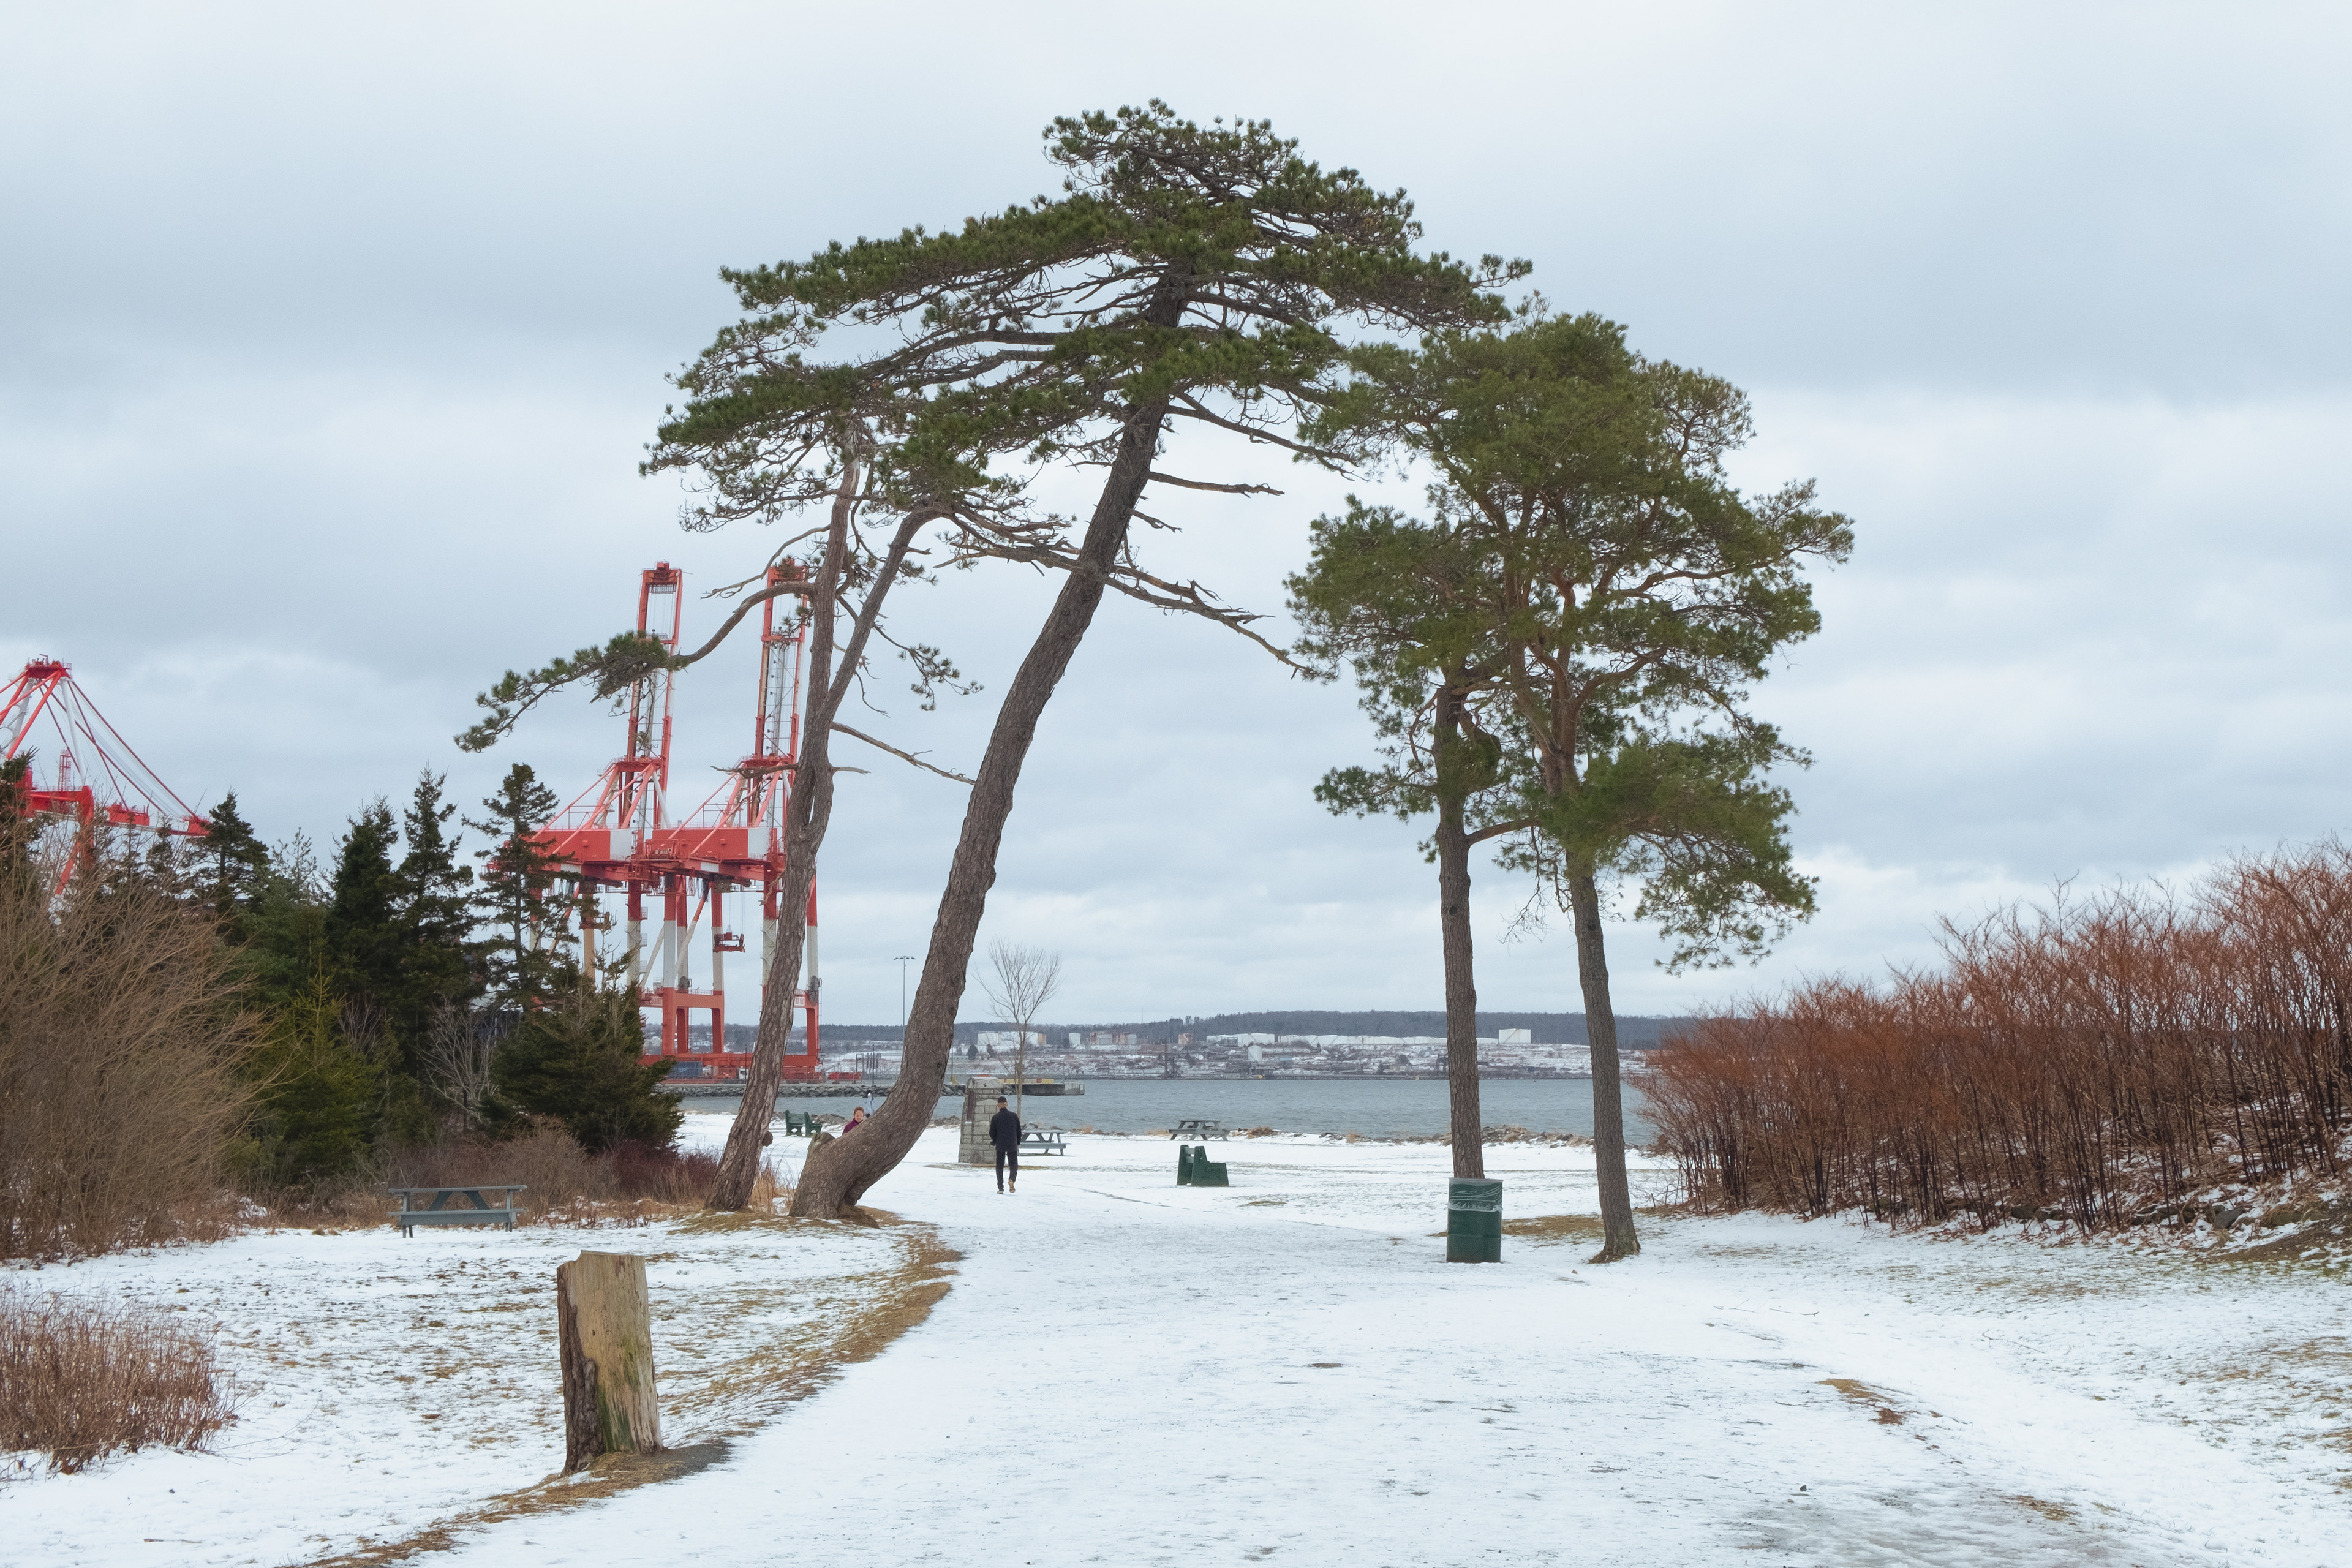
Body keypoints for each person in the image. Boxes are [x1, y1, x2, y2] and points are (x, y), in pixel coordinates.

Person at [989, 1095, 1021, 1194]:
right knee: (1013, 1164)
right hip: (1012, 1143)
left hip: (1000, 1144)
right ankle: (1012, 1179)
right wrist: (1018, 1143)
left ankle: (1001, 1188)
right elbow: (1019, 1131)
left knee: (999, 1166)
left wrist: (995, 1140)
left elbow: (991, 1132)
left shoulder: (995, 1118)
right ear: (1006, 1104)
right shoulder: (1014, 1116)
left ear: (998, 1105)